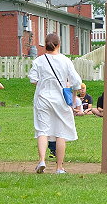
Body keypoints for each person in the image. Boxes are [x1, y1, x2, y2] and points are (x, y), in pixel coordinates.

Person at [28, 33, 80, 174]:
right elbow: (76, 82)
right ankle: (59, 167)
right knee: (60, 133)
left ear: (46, 45)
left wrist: (44, 84)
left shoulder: (39, 61)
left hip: (43, 98)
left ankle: (42, 160)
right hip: (61, 100)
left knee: (42, 130)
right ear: (59, 44)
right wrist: (73, 98)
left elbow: (33, 79)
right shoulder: (65, 61)